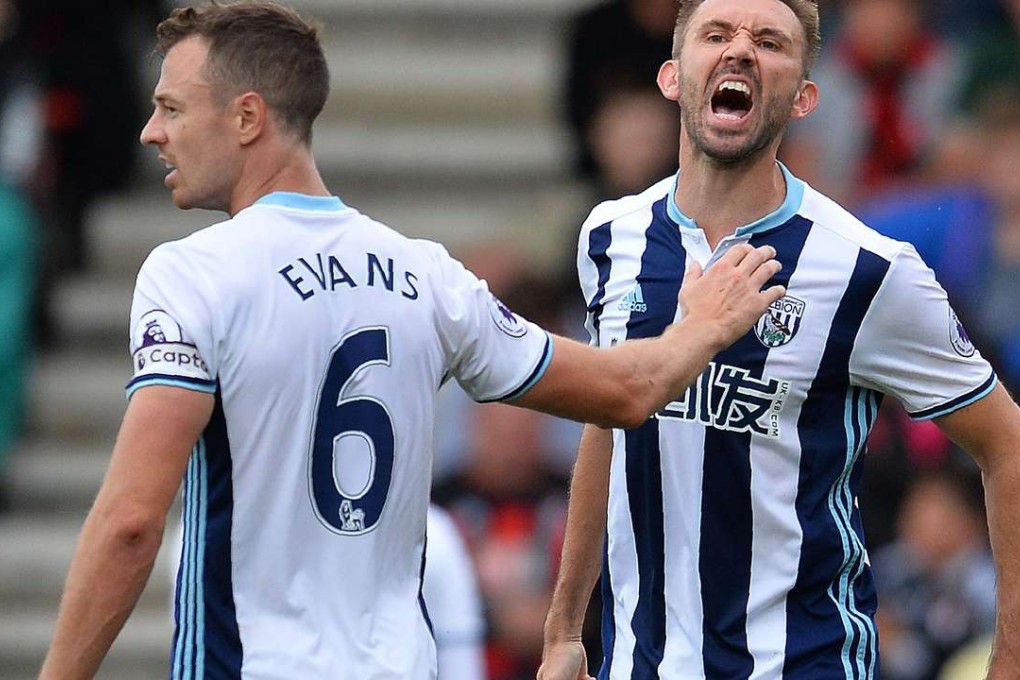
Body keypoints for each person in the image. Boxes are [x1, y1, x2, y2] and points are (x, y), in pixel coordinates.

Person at [36, 3, 785, 679]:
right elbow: (626, 390)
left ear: (247, 117)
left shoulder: (192, 273)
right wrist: (705, 326)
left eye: (170, 107)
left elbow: (133, 523)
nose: (151, 131)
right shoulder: (424, 276)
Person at [538, 1, 1020, 679]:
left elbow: (1007, 443)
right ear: (673, 76)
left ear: (803, 98)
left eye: (769, 41)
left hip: (802, 663)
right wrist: (564, 630)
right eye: (717, 34)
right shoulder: (610, 235)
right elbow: (609, 418)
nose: (740, 51)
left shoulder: (867, 268)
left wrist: (1010, 660)